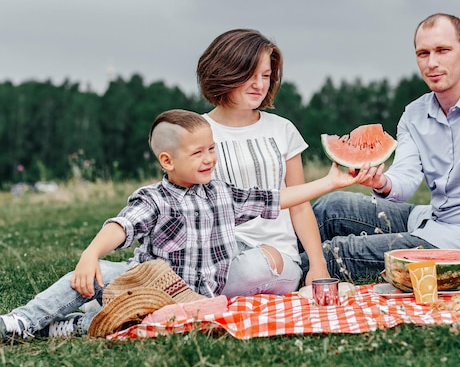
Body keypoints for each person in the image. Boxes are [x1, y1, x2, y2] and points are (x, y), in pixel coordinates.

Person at [0, 109, 368, 341]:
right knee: (85, 280)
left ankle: (79, 325)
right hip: (148, 284)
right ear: (167, 160)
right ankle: (20, 322)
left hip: (198, 296)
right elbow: (121, 226)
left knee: (156, 319)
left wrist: (331, 182)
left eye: (212, 149)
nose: (209, 158)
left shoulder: (222, 192)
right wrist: (91, 253)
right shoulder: (154, 199)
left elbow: (276, 197)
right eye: (198, 153)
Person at [303, 13, 460, 279]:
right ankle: (265, 254)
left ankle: (269, 272)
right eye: (423, 53)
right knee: (331, 207)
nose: (432, 63)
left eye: (443, 51)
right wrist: (381, 181)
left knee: (334, 253)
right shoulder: (413, 114)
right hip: (428, 219)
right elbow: (406, 179)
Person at [197, 29, 331, 296]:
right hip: (216, 252)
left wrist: (318, 266)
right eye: (250, 75)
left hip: (274, 260)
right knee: (185, 265)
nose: (260, 84)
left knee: (251, 270)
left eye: (266, 76)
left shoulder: (283, 130)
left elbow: (300, 206)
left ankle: (168, 289)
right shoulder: (197, 130)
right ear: (225, 72)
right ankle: (108, 284)